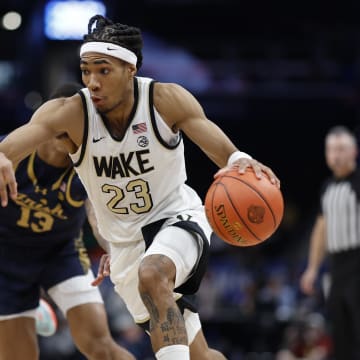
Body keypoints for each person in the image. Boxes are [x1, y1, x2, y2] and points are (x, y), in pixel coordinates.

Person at [0, 15, 280, 360]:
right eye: (86, 71)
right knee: (200, 354)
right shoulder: (71, 113)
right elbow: (16, 142)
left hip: (175, 218)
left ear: (130, 69)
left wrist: (238, 159)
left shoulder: (164, 100)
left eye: (104, 71)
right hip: (125, 247)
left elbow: (213, 141)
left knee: (153, 272)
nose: (92, 82)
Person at [0, 82, 135, 360]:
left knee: (101, 346)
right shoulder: (11, 152)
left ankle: (36, 302)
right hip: (7, 257)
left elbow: (98, 217)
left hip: (61, 254)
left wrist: (113, 248)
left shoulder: (93, 165)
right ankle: (31, 303)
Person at [300, 125, 360, 360]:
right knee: (340, 335)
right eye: (332, 149)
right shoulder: (327, 188)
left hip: (358, 263)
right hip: (336, 268)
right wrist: (313, 268)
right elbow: (321, 229)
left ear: (354, 151)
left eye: (342, 149)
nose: (336, 154)